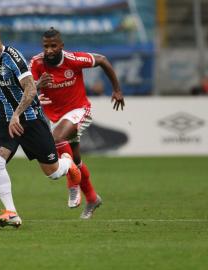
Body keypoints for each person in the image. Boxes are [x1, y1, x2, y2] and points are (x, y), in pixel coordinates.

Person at [0, 23, 81, 228]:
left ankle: (68, 163)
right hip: (5, 120)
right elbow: (17, 87)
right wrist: (13, 114)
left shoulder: (13, 57)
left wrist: (18, 113)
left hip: (31, 120)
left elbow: (29, 89)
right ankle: (11, 212)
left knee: (53, 172)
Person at [30, 27, 125, 219]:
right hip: (55, 116)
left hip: (79, 110)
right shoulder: (36, 63)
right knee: (75, 158)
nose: (49, 50)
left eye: (53, 46)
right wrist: (39, 85)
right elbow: (28, 88)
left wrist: (116, 89)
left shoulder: (73, 59)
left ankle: (72, 183)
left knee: (56, 139)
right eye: (46, 46)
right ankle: (92, 197)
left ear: (61, 46)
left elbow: (103, 60)